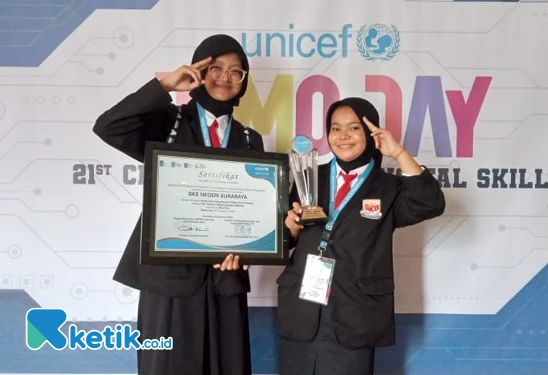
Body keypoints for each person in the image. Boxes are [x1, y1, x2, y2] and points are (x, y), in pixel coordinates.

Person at [92, 34, 263, 375]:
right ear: (199, 70)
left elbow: (256, 211)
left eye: (236, 72)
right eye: (216, 68)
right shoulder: (166, 122)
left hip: (224, 280)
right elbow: (108, 126)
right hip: (168, 278)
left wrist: (256, 244)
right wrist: (167, 84)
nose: (225, 78)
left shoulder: (249, 139)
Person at [277, 97, 446, 375]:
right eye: (335, 128)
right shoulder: (309, 176)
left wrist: (399, 152)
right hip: (303, 307)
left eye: (354, 128)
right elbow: (285, 238)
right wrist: (291, 229)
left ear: (370, 133)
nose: (343, 136)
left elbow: (431, 203)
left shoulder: (388, 186)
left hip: (354, 314)